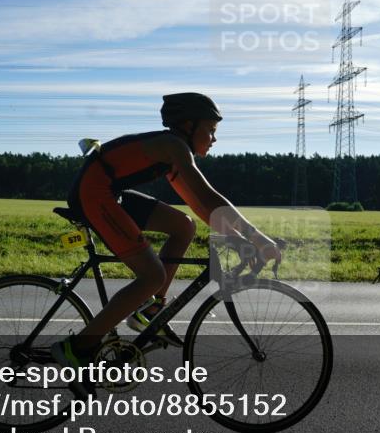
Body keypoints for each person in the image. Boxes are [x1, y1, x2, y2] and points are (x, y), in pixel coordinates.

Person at [52, 93, 282, 377]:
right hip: (94, 194)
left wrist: (239, 241)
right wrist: (258, 238)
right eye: (210, 130)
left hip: (108, 191)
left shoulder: (171, 152)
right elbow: (209, 197)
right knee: (152, 275)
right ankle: (77, 348)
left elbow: (200, 207)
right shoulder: (174, 147)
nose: (214, 139)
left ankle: (150, 311)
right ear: (188, 125)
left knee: (183, 226)